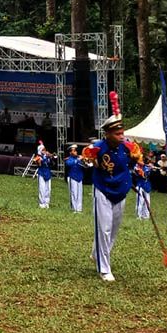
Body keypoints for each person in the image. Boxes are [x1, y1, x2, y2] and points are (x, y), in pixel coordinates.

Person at [86, 113, 137, 282]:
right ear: (107, 134)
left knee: (113, 229)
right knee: (104, 228)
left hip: (120, 191)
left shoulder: (128, 148)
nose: (121, 136)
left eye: (122, 133)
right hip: (103, 190)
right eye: (117, 134)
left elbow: (130, 165)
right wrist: (90, 159)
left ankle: (96, 253)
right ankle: (104, 269)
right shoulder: (98, 148)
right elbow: (87, 160)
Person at [64, 144, 85, 213]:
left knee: (79, 193)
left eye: (76, 151)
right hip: (72, 177)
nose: (76, 152)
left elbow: (86, 166)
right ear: (70, 152)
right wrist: (78, 160)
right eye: (74, 151)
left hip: (80, 177)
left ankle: (79, 209)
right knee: (73, 193)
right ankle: (74, 208)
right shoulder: (68, 159)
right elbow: (69, 164)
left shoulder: (79, 158)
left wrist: (85, 161)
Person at [34, 141, 53, 209]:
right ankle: (41, 203)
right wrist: (40, 160)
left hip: (48, 173)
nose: (44, 151)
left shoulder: (47, 156)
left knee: (48, 189)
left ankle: (47, 203)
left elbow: (53, 162)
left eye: (44, 149)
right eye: (43, 150)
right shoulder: (38, 157)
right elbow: (38, 164)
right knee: (42, 189)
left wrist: (50, 156)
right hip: (41, 173)